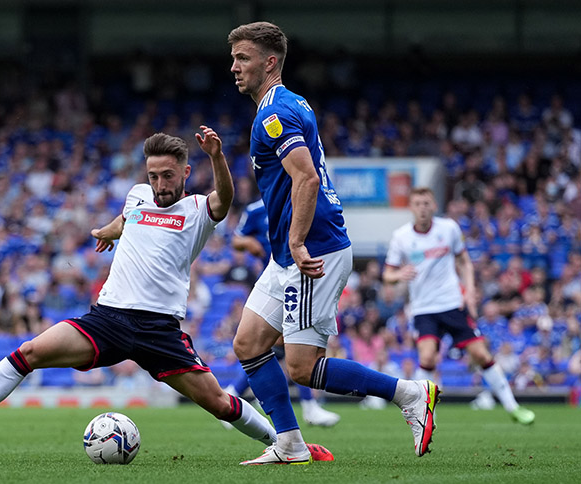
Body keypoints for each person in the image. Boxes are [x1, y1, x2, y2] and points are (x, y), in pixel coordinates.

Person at [0, 128, 329, 462]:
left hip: (158, 329)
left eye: (168, 175)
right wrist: (108, 231)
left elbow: (226, 198)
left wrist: (217, 157)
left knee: (220, 402)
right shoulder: (137, 195)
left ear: (185, 173)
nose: (160, 184)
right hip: (107, 318)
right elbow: (128, 215)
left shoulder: (199, 209)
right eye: (153, 175)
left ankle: (288, 445)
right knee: (30, 353)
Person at [228, 21, 439, 465]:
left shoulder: (274, 113)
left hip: (312, 249)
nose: (234, 67)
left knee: (302, 367)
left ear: (270, 62)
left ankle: (409, 394)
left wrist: (299, 241)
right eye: (233, 58)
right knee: (248, 343)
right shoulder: (289, 103)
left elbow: (304, 177)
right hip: (292, 252)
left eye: (243, 58)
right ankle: (289, 443)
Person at [383, 187, 535, 425]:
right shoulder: (401, 237)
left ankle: (513, 406)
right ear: (411, 208)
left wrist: (470, 291)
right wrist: (399, 274)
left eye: (426, 203)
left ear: (434, 206)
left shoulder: (449, 229)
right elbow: (387, 275)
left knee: (481, 354)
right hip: (424, 308)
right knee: (428, 358)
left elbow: (464, 261)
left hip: (452, 303)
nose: (422, 208)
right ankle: (420, 412)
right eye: (418, 204)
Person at [226, 198, 341, 427]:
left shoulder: (304, 201)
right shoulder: (256, 209)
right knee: (291, 341)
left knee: (283, 345)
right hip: (273, 280)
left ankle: (235, 394)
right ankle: (307, 407)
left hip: (296, 278)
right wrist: (249, 243)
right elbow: (237, 240)